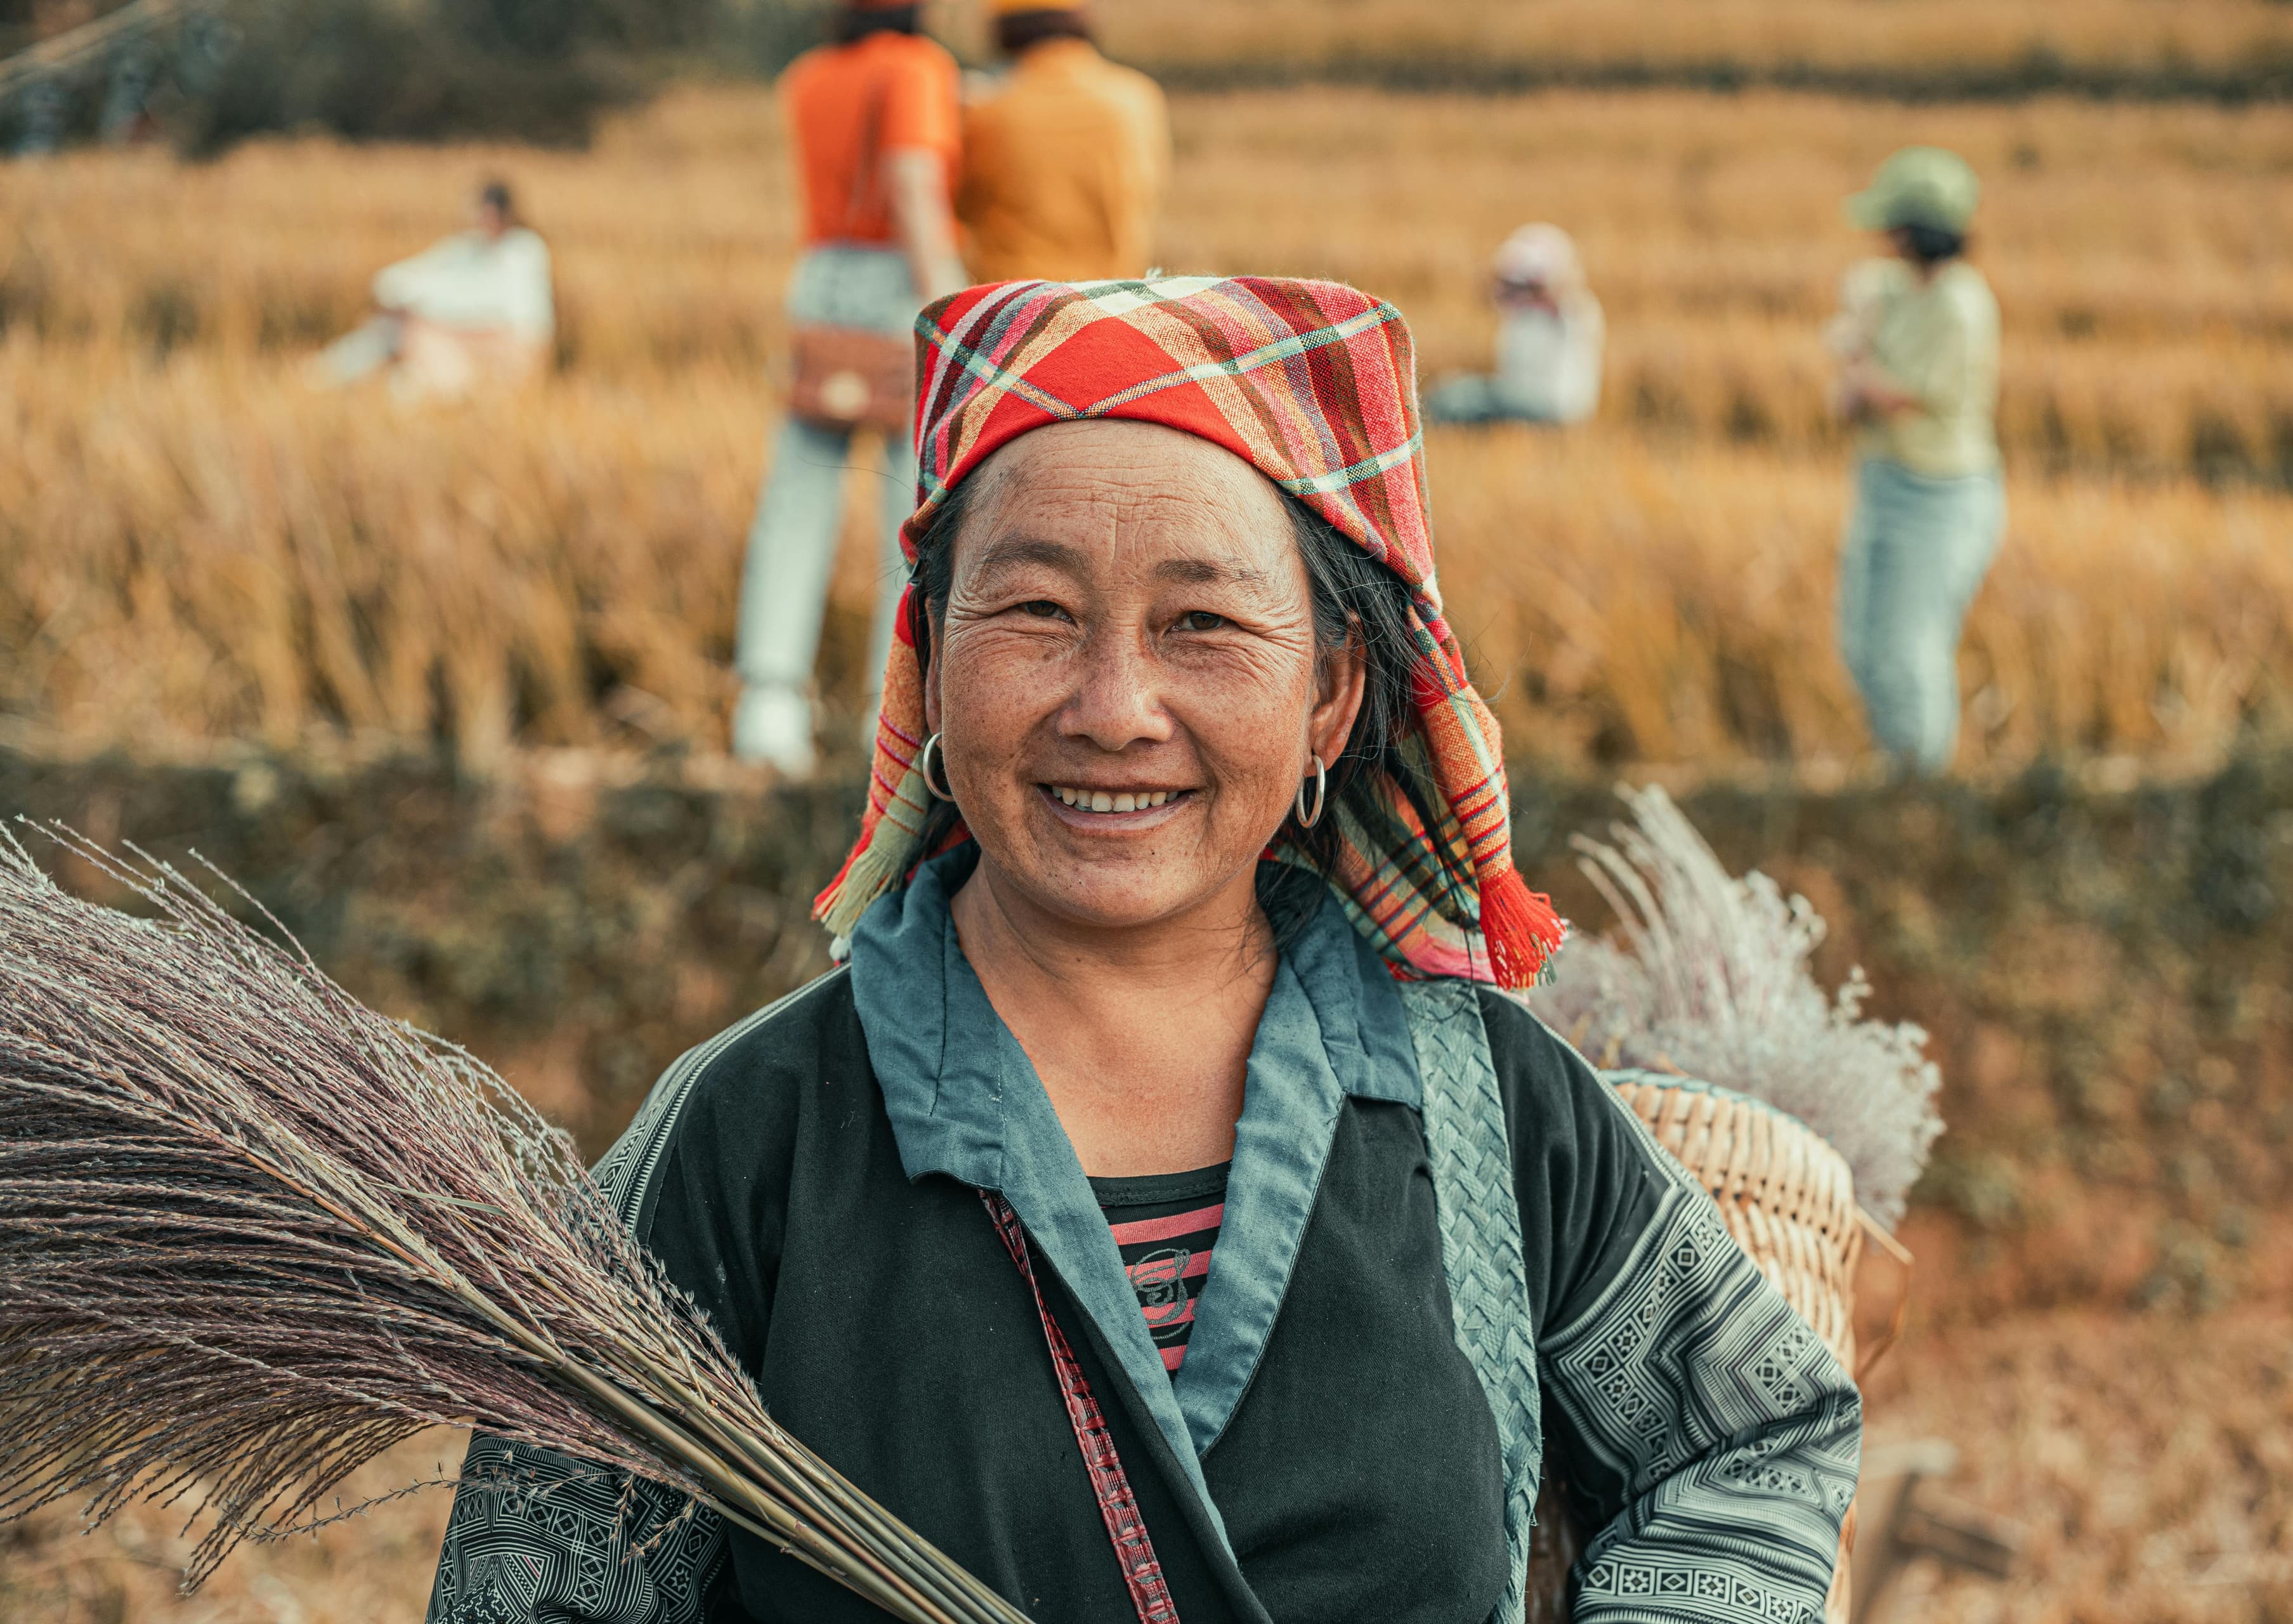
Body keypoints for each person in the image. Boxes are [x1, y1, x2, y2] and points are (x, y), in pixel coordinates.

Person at [426, 276, 1862, 1624]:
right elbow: (531, 1582)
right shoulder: (748, 1136)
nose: (1113, 706)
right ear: (928, 661)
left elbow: (1750, 1427)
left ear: (1329, 691)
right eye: (1037, 610)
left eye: (1203, 623)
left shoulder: (1478, 1098)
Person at [731, 0, 966, 776]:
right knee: (908, 507)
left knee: (795, 503)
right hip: (892, 286)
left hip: (820, 279)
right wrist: (954, 315)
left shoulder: (809, 77)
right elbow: (911, 187)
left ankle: (768, 706)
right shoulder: (914, 67)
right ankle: (887, 712)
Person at [1827, 145, 2005, 774]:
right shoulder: (1895, 288)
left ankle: (1921, 783)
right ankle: (1894, 761)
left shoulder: (1961, 306)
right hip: (1883, 482)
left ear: (1917, 231)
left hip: (1940, 498)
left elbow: (1888, 393)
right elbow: (1855, 345)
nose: (1883, 238)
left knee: (1910, 649)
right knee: (1859, 643)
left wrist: (1855, 362)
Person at [956, 0, 1170, 284]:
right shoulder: (1138, 97)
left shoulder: (987, 113)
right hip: (1117, 296)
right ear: (1082, 17)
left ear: (1000, 30)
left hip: (1016, 304)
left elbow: (959, 206)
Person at [315, 180, 552, 400]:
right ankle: (325, 377)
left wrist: (425, 319)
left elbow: (520, 329)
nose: (484, 220)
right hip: (453, 345)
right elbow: (412, 277)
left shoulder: (523, 253)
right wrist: (399, 302)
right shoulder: (470, 247)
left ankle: (323, 381)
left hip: (487, 356)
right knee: (394, 338)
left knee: (408, 349)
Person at [1425, 223, 1605, 427]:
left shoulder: (1572, 310)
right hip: (1532, 402)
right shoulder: (1528, 311)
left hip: (1550, 407)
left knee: (1457, 398)